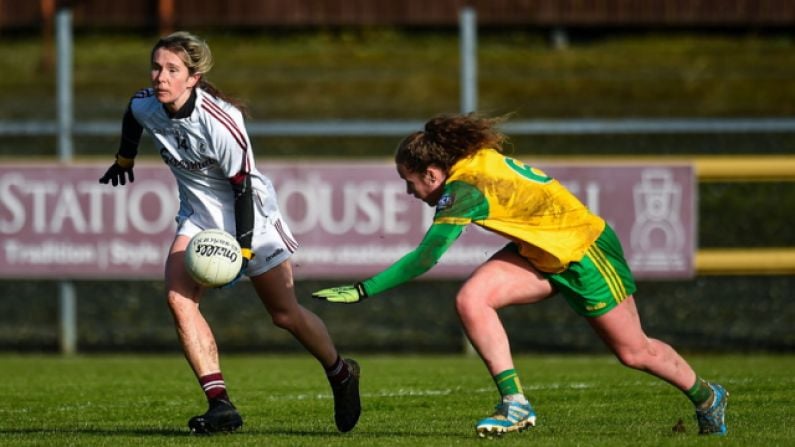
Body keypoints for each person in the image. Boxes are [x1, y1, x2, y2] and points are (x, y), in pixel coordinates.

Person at [312, 113, 728, 437]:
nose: (409, 192)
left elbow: (425, 258)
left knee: (635, 352)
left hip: (584, 252)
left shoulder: (464, 189)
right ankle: (515, 403)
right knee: (471, 299)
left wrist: (365, 289)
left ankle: (708, 397)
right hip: (540, 253)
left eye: (410, 182)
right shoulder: (471, 161)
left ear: (433, 174)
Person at [98, 31, 360, 435]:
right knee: (177, 298)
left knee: (284, 314)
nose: (160, 77)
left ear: (193, 78)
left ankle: (341, 373)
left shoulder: (221, 121)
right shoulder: (147, 104)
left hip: (249, 215)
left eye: (172, 70)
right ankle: (220, 404)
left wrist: (244, 252)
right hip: (198, 217)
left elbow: (242, 188)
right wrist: (124, 158)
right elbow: (132, 115)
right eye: (156, 67)